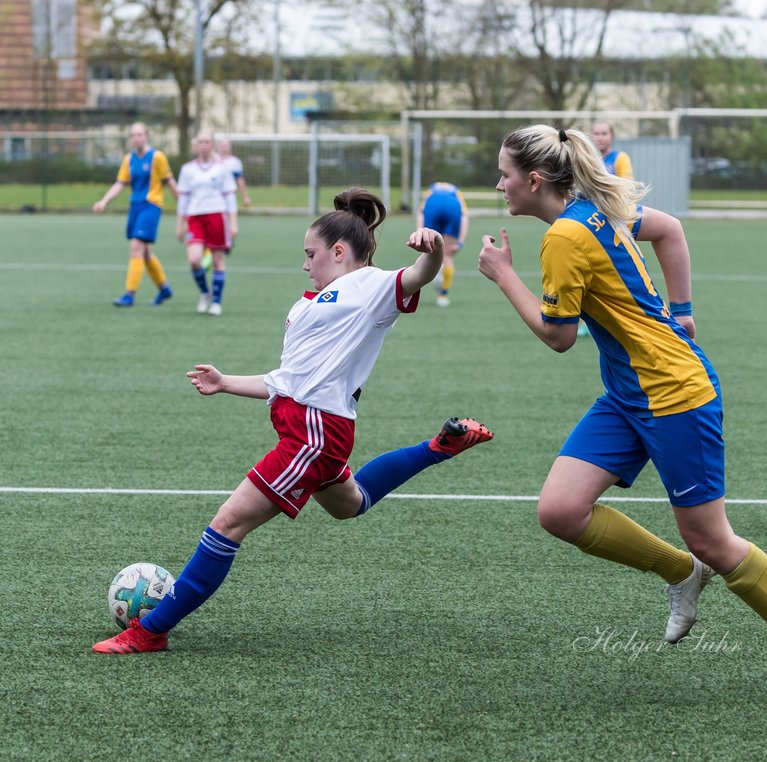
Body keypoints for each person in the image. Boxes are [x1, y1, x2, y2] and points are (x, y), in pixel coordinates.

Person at [477, 124, 767, 699]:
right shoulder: (595, 207)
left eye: (505, 174)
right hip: (628, 391)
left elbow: (559, 337)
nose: (499, 185)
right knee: (561, 510)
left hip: (674, 393)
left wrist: (504, 277)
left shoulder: (564, 237)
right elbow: (668, 229)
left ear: (536, 179)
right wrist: (682, 310)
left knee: (713, 540)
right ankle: (680, 573)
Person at [93, 189, 494, 655]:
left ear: (339, 252)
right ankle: (438, 447)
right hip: (311, 429)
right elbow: (286, 381)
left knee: (227, 525)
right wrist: (225, 383)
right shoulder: (310, 303)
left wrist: (437, 249)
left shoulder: (371, 286)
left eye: (311, 254)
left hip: (314, 433)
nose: (306, 264)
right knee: (351, 503)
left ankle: (150, 631)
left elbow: (420, 275)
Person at [93, 123, 179, 307]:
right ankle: (164, 288)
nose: (136, 138)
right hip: (136, 207)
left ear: (147, 136)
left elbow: (170, 182)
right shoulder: (128, 159)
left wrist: (184, 206)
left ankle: (129, 295)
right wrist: (104, 201)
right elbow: (120, 183)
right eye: (133, 135)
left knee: (135, 248)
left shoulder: (157, 157)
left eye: (140, 134)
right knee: (146, 253)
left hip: (151, 206)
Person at [176, 132, 239, 315]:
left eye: (207, 142)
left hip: (217, 215)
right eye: (200, 142)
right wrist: (180, 223)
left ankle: (216, 302)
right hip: (195, 217)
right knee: (195, 260)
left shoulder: (222, 168)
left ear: (212, 145)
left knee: (218, 259)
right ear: (195, 146)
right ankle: (205, 292)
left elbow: (229, 196)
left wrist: (233, 223)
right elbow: (183, 199)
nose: (204, 145)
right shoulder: (187, 169)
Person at [200, 137, 252, 271]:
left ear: (229, 147)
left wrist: (245, 196)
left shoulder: (234, 162)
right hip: (212, 199)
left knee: (227, 225)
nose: (224, 147)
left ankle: (224, 244)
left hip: (228, 197)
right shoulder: (213, 160)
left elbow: (240, 180)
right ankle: (211, 250)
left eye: (226, 145)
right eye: (221, 145)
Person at [417, 181, 469, 306]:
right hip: (452, 207)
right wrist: (460, 242)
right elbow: (464, 216)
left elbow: (421, 211)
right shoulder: (456, 192)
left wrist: (420, 233)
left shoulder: (431, 190)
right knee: (448, 256)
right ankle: (443, 296)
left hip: (433, 205)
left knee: (428, 252)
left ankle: (416, 294)